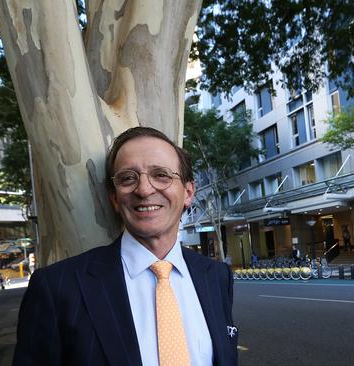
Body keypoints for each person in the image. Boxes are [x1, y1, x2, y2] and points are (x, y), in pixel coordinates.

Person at [13, 127, 237, 365]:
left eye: (161, 175)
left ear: (188, 192)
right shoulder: (56, 288)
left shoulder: (217, 276)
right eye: (128, 178)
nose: (144, 189)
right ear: (114, 198)